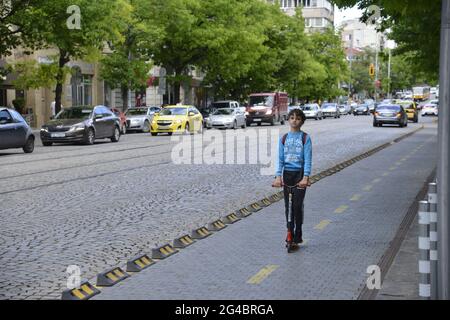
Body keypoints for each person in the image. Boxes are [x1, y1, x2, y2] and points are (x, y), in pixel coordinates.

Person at [272, 109, 312, 250]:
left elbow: (307, 159)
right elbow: (280, 159)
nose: (294, 120)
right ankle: (289, 232)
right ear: (288, 120)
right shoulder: (284, 138)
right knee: (287, 207)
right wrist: (278, 176)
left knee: (296, 206)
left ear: (302, 121)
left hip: (300, 174)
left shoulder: (305, 138)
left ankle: (298, 234)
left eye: (298, 118)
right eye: (292, 118)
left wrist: (306, 177)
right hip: (287, 174)